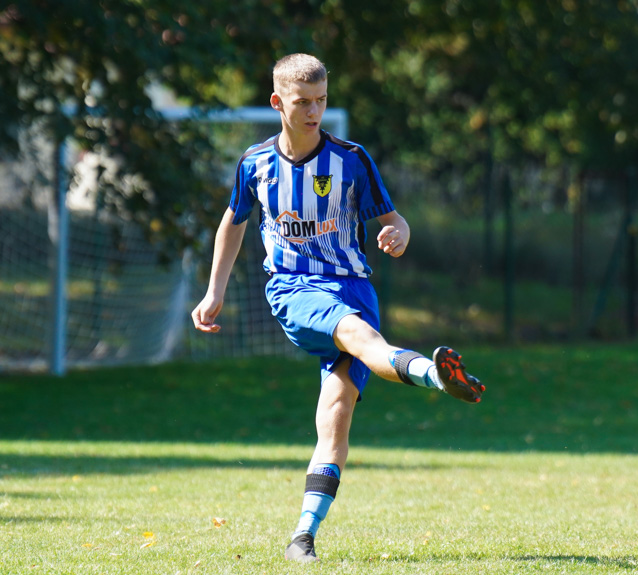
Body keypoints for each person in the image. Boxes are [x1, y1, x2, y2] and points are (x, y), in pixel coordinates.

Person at [190, 53, 484, 564]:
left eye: (321, 101)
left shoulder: (351, 159)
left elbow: (394, 218)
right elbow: (233, 222)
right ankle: (438, 377)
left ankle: (302, 536)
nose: (314, 112)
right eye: (303, 102)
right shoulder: (255, 163)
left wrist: (399, 232)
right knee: (363, 340)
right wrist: (214, 290)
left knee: (336, 414)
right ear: (278, 103)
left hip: (355, 288)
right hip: (296, 290)